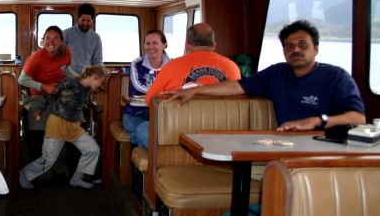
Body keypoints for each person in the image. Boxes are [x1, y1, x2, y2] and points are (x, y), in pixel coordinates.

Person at [167, 20, 366, 131]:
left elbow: (358, 118)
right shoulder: (276, 74)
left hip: (327, 149)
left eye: (302, 45)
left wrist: (316, 121)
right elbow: (236, 86)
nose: (296, 50)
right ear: (284, 51)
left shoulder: (336, 77)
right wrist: (196, 91)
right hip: (287, 149)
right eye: (289, 46)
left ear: (316, 48)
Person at [132, 23, 240, 147]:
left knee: (141, 128)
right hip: (221, 136)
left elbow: (150, 100)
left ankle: (165, 158)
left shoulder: (171, 66)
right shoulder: (233, 67)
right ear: (214, 45)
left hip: (177, 136)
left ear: (187, 45)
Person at [19, 65, 110, 190]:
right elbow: (50, 94)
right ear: (95, 77)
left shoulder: (87, 89)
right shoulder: (70, 83)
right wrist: (40, 110)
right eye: (102, 83)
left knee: (92, 149)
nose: (102, 87)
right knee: (48, 159)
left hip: (73, 126)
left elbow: (76, 102)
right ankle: (24, 175)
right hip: (57, 124)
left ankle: (76, 178)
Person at [18, 25, 74, 161]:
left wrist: (80, 79)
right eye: (48, 38)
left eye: (55, 38)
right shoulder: (35, 58)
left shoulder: (67, 53)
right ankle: (35, 168)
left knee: (74, 127)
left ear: (61, 41)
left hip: (60, 94)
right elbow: (22, 80)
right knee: (36, 133)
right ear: (43, 41)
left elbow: (66, 70)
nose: (51, 42)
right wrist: (44, 86)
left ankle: (72, 167)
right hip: (38, 96)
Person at [122, 30, 171, 147]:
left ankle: (137, 146)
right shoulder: (136, 64)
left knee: (144, 132)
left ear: (164, 45)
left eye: (155, 43)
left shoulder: (172, 65)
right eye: (148, 43)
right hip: (136, 113)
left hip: (162, 114)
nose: (151, 47)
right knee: (146, 132)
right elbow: (138, 86)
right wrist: (163, 92)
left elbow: (176, 87)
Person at [63, 3, 103, 75]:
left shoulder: (96, 38)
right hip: (69, 76)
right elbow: (60, 57)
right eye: (83, 20)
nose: (85, 23)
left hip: (87, 77)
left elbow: (98, 61)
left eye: (88, 21)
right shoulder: (65, 34)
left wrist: (101, 75)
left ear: (92, 20)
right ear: (78, 18)